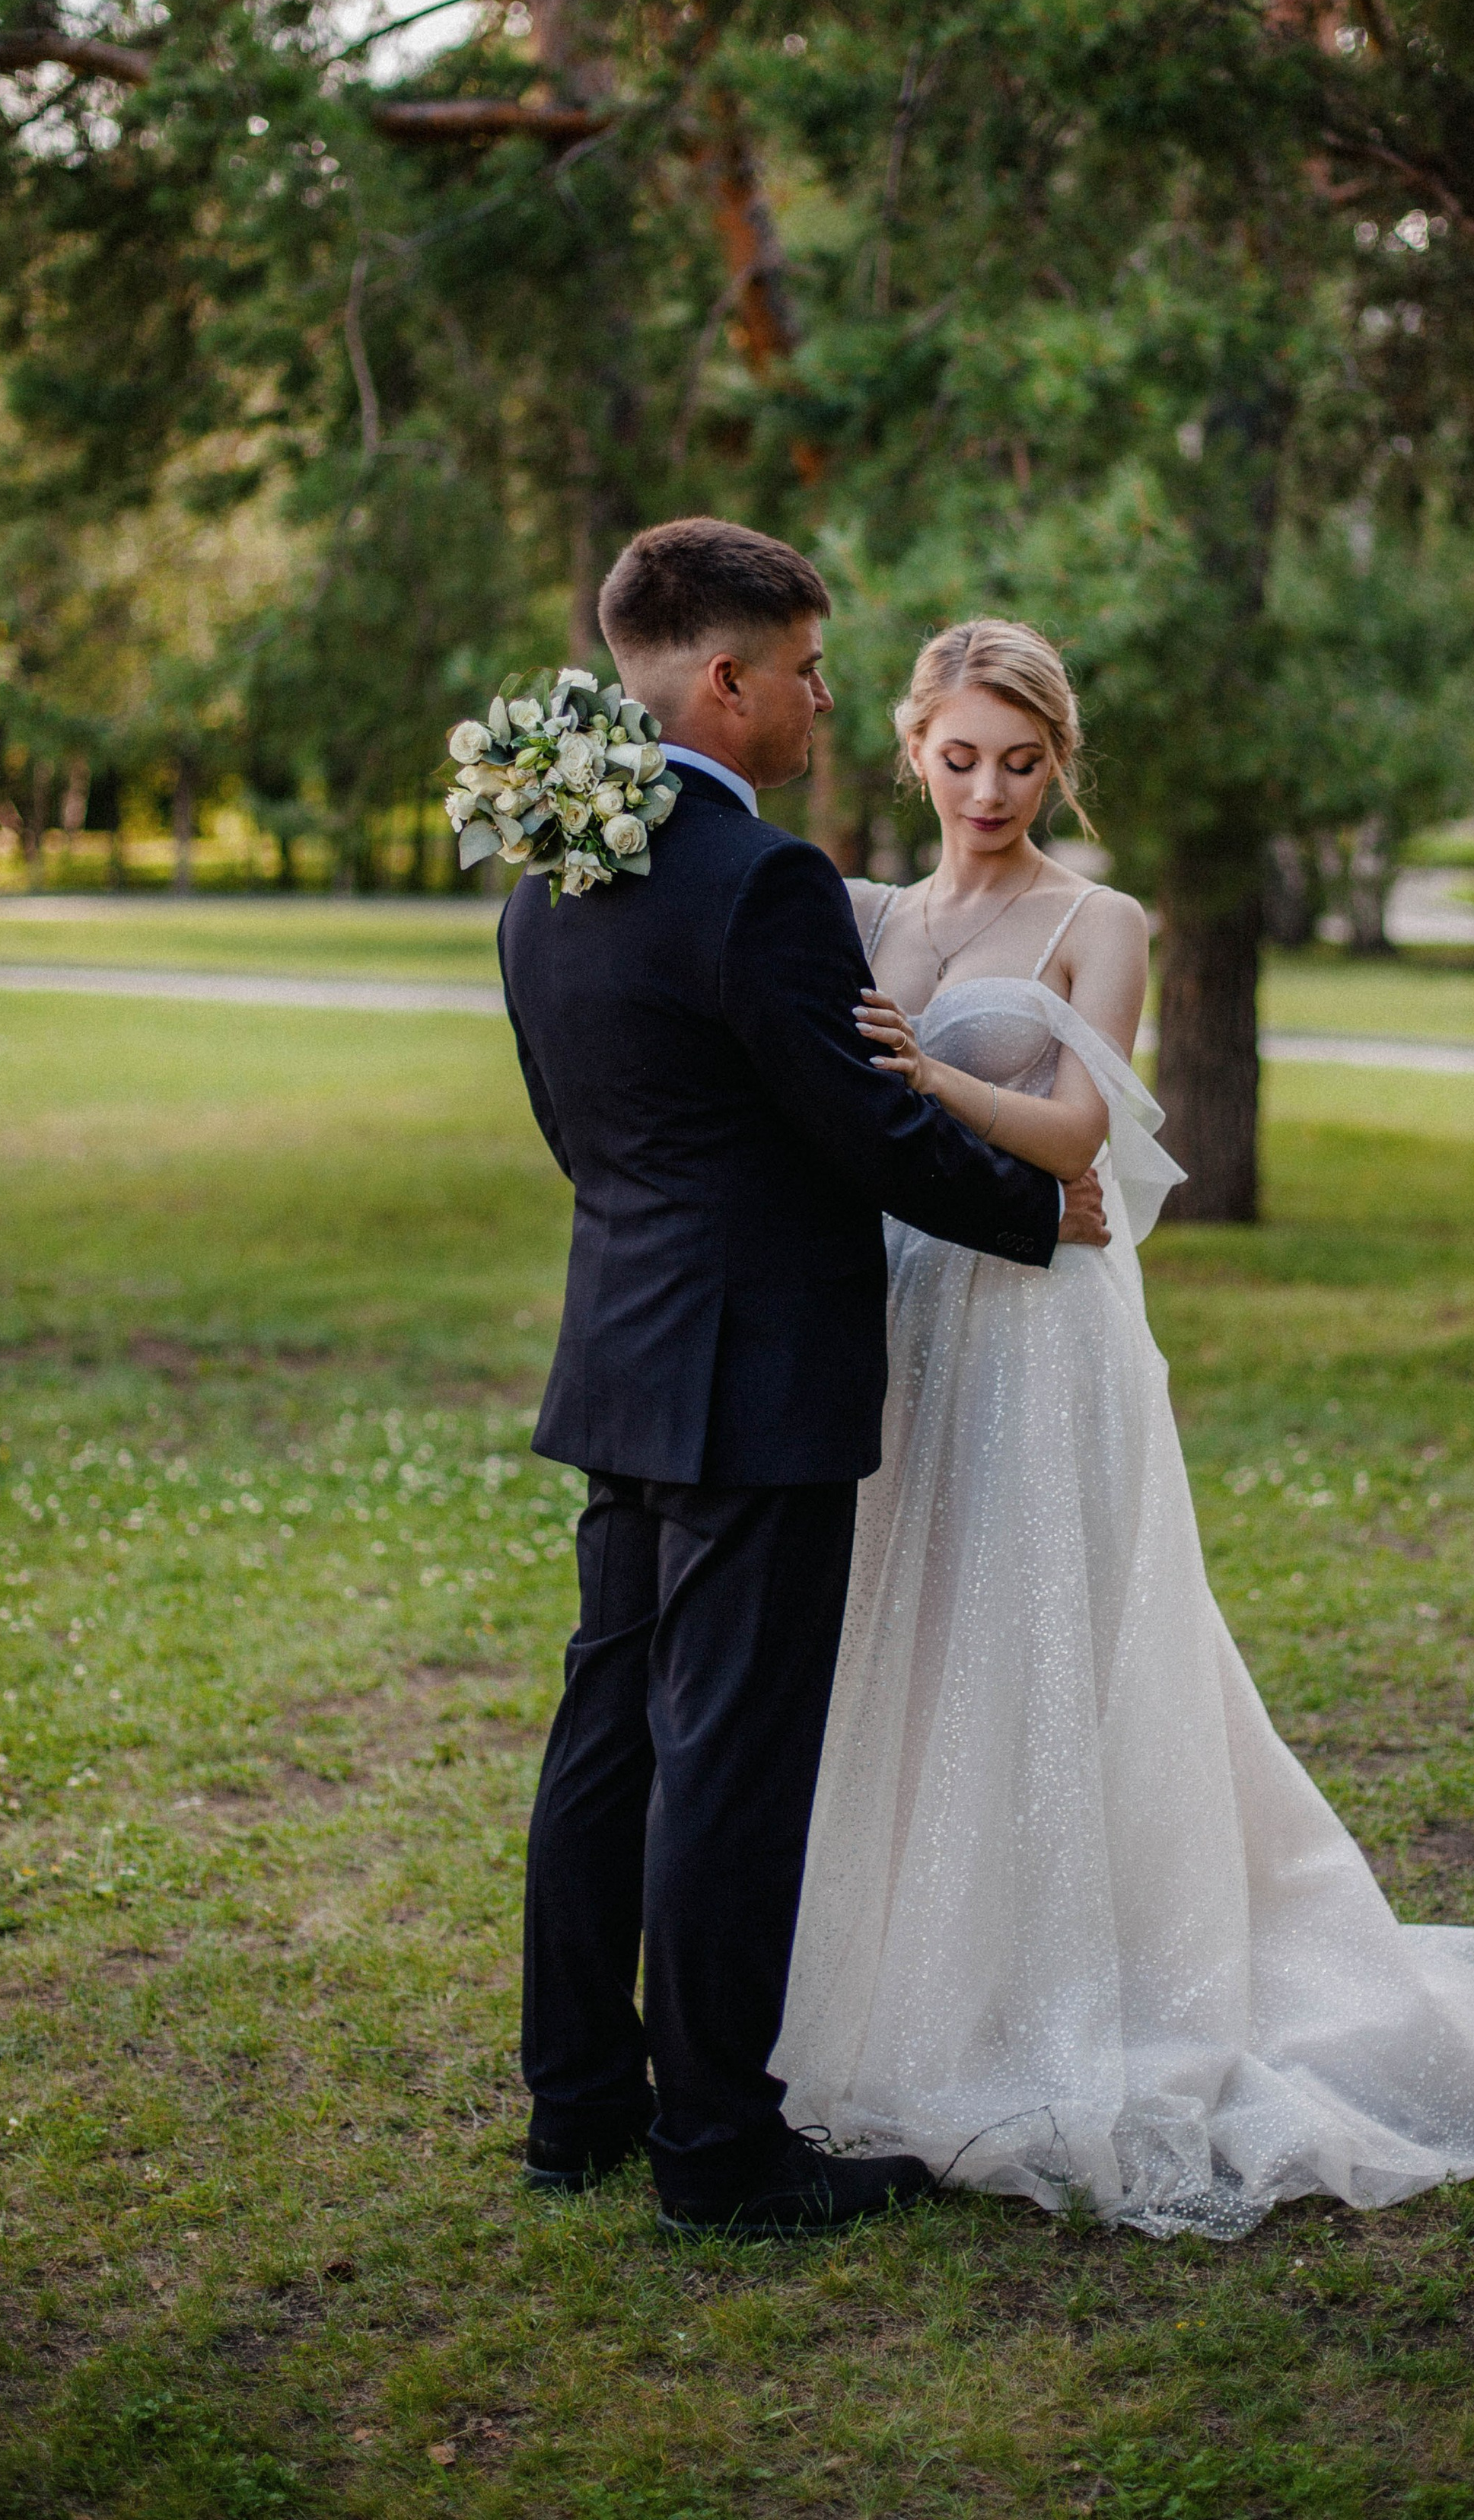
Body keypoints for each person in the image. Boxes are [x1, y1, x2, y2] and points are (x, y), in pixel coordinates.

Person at [772, 619, 1474, 2238]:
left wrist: (923, 1078)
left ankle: (1081, 1980)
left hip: (1046, 1334)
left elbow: (1080, 1129)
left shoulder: (1099, 918)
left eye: (1021, 760)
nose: (987, 788)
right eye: (960, 753)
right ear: (911, 743)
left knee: (1043, 1633)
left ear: (1056, 763)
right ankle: (915, 1974)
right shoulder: (859, 912)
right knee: (913, 1635)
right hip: (909, 1316)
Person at [496, 524, 1113, 2240]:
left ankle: (577, 2112)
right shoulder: (756, 881)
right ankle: (716, 2151)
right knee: (731, 1762)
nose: (826, 701)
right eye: (808, 671)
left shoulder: (547, 865)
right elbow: (858, 1121)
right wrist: (1039, 1211)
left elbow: (581, 1132)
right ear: (726, 682)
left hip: (621, 1353)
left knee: (604, 1738)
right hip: (755, 1375)